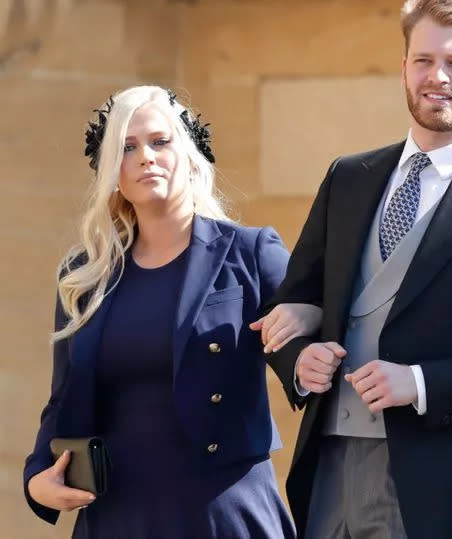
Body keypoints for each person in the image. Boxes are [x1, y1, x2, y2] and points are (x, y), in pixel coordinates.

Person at [264, 1, 452, 537]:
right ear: (404, 66)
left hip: (432, 476)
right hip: (326, 464)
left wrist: (421, 383)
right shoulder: (348, 177)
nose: (437, 77)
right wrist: (298, 360)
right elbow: (296, 304)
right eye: (423, 60)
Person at [22, 86, 314, 538]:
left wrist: (311, 325)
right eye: (127, 147)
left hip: (224, 513)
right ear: (111, 172)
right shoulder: (84, 276)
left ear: (191, 154)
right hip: (117, 516)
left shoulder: (251, 251)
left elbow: (302, 338)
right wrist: (37, 478)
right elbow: (62, 399)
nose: (145, 157)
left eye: (160, 141)